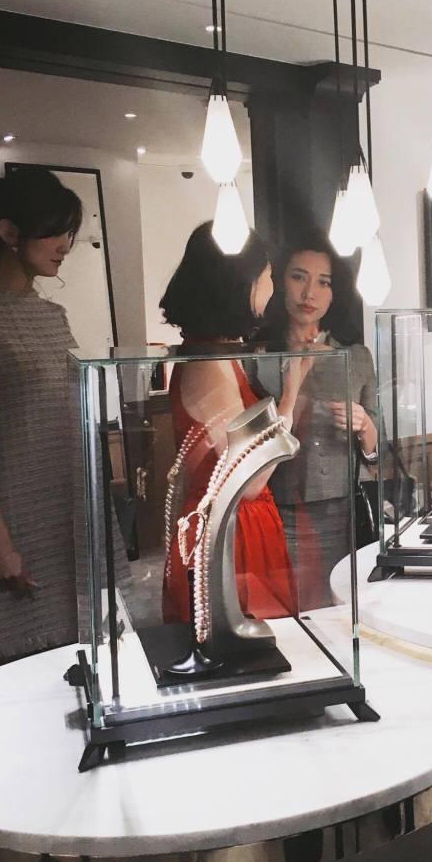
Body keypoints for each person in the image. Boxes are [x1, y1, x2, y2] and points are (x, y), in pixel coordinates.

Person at [0, 169, 83, 670]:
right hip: (11, 517)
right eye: (54, 231)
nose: (65, 245)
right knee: (19, 674)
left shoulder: (53, 315)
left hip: (69, 509)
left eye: (69, 233)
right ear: (9, 232)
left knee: (84, 663)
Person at [159, 222, 306, 623]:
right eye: (268, 275)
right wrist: (290, 396)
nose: (272, 287)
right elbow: (248, 480)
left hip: (237, 523)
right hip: (231, 529)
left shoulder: (216, 353)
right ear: (243, 283)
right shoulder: (210, 363)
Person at [255, 227, 377, 609]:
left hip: (345, 510)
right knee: (292, 611)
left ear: (334, 292)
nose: (310, 293)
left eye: (323, 282)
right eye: (299, 277)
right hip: (280, 508)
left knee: (344, 608)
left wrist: (365, 425)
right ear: (280, 281)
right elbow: (252, 445)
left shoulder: (355, 357)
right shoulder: (258, 358)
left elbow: (379, 448)